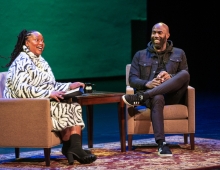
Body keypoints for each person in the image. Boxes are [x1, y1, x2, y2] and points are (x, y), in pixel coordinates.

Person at [3, 30, 97, 165]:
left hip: (41, 100)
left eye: (42, 40)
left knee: (73, 102)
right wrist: (48, 94)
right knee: (62, 105)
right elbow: (20, 89)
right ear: (26, 43)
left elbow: (51, 85)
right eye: (36, 40)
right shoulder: (22, 60)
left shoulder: (40, 61)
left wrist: (70, 86)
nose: (41, 43)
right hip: (23, 106)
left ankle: (72, 147)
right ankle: (72, 148)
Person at [122, 22, 190, 156]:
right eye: (154, 32)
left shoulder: (179, 53)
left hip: (171, 96)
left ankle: (142, 97)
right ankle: (161, 144)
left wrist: (170, 76)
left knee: (185, 74)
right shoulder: (140, 55)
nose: (156, 35)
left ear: (167, 35)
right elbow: (132, 79)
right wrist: (147, 84)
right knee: (157, 97)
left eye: (159, 32)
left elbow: (184, 77)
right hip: (152, 97)